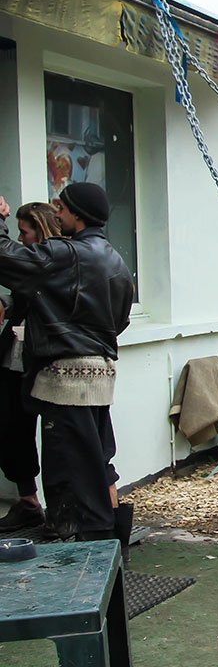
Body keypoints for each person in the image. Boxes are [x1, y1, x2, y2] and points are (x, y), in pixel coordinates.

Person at [0, 184, 134, 544]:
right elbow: (120, 321)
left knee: (71, 473)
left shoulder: (68, 254)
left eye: (61, 208)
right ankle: (107, 548)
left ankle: (90, 554)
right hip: (100, 376)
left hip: (67, 380)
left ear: (78, 214)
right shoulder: (115, 260)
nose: (56, 214)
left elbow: (7, 260)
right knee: (94, 465)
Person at [0, 203, 61, 532]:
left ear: (41, 230)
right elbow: (23, 298)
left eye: (24, 232)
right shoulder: (34, 264)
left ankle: (61, 511)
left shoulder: (54, 262)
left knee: (56, 436)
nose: (21, 238)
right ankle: (29, 502)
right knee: (12, 430)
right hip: (15, 359)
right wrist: (7, 303)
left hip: (46, 361)